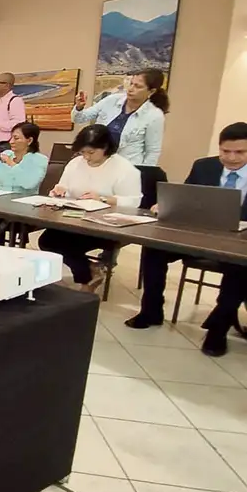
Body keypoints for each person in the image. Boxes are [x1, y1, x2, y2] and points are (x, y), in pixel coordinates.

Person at [124, 122, 247, 356]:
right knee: (154, 249)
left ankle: (219, 328)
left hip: (240, 241)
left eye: (240, 152)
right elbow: (189, 197)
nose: (231, 158)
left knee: (240, 267)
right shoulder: (204, 166)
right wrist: (169, 205)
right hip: (198, 234)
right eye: (225, 151)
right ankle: (151, 310)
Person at [37, 124, 142, 292]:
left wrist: (103, 199)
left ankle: (86, 277)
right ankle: (92, 270)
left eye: (91, 152)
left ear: (105, 147)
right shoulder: (75, 164)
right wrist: (59, 191)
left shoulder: (125, 169)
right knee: (47, 241)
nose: (86, 157)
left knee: (69, 245)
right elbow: (64, 186)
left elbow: (133, 202)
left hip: (104, 224)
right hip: (75, 218)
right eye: (82, 152)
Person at [72, 67, 167, 166]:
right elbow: (79, 119)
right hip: (98, 165)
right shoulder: (112, 100)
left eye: (138, 86)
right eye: (131, 84)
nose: (130, 89)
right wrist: (79, 108)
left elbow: (152, 152)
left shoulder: (155, 115)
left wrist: (144, 176)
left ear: (151, 92)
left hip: (127, 169)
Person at [0, 122, 49, 195]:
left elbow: (28, 184)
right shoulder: (7, 154)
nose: (11, 142)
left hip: (24, 202)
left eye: (16, 138)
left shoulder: (39, 159)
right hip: (0, 200)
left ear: (29, 140)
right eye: (11, 137)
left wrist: (11, 163)